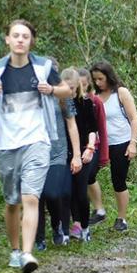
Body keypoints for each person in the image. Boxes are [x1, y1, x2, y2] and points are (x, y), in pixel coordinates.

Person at [0, 19, 72, 273]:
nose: (20, 40)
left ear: (31, 42)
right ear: (7, 39)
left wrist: (51, 89)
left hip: (37, 141)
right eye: (15, 35)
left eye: (25, 36)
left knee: (31, 197)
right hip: (7, 144)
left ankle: (28, 254)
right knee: (12, 201)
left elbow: (66, 90)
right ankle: (15, 250)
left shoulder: (43, 67)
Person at [35, 59, 81, 250]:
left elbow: (71, 124)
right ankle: (39, 238)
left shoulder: (64, 96)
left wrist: (77, 154)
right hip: (35, 152)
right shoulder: (31, 95)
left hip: (58, 152)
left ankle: (56, 226)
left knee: (52, 193)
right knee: (36, 196)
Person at [90, 61, 137, 232]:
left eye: (101, 79)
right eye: (95, 79)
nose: (98, 82)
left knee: (118, 181)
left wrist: (133, 143)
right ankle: (99, 210)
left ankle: (122, 218)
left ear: (108, 76)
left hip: (121, 142)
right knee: (88, 175)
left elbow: (134, 119)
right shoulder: (93, 96)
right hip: (100, 144)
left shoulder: (121, 92)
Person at [62, 68, 99, 242]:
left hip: (85, 150)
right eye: (66, 87)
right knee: (68, 191)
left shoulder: (85, 103)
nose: (70, 91)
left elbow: (93, 129)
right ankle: (75, 224)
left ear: (78, 87)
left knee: (81, 191)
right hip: (65, 152)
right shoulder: (58, 105)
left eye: (72, 88)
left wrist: (90, 148)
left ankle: (84, 226)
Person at [79, 68, 109, 227]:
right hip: (78, 147)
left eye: (84, 84)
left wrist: (104, 155)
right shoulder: (71, 100)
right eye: (79, 85)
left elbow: (102, 129)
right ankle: (94, 211)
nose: (82, 88)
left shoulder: (95, 101)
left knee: (88, 176)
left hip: (94, 147)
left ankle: (98, 210)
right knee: (85, 179)